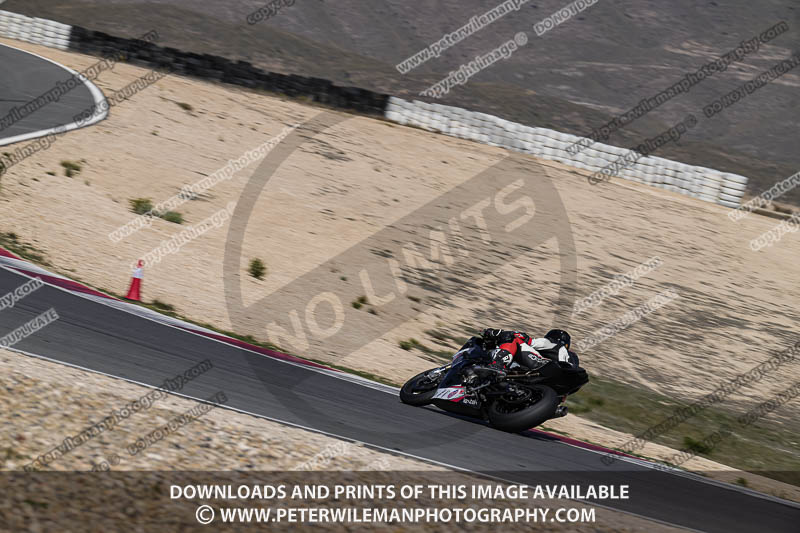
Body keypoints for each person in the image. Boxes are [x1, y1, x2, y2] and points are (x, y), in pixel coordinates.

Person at [481, 328, 578, 370]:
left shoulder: (552, 343)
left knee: (513, 338)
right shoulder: (573, 360)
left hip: (544, 367)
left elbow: (527, 340)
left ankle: (497, 365)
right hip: (552, 392)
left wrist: (496, 333)